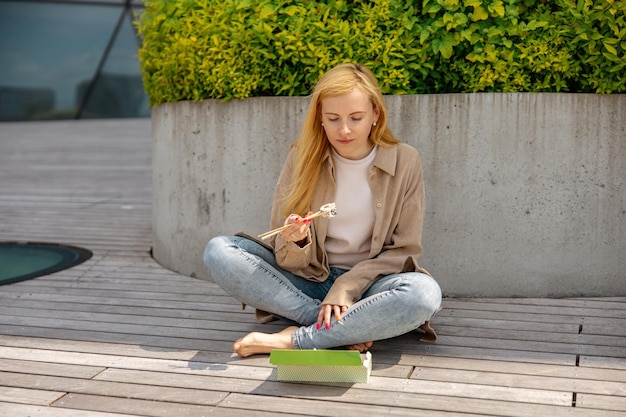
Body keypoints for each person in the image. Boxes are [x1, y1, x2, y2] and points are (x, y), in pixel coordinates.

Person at [203, 63, 442, 357]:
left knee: (423, 295)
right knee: (219, 251)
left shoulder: (405, 160)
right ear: (320, 118)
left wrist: (347, 286)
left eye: (356, 118)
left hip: (370, 288)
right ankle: (336, 326)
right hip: (309, 281)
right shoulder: (300, 157)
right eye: (333, 118)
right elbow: (283, 253)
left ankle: (296, 339)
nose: (344, 129)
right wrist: (297, 240)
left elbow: (404, 250)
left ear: (375, 115)